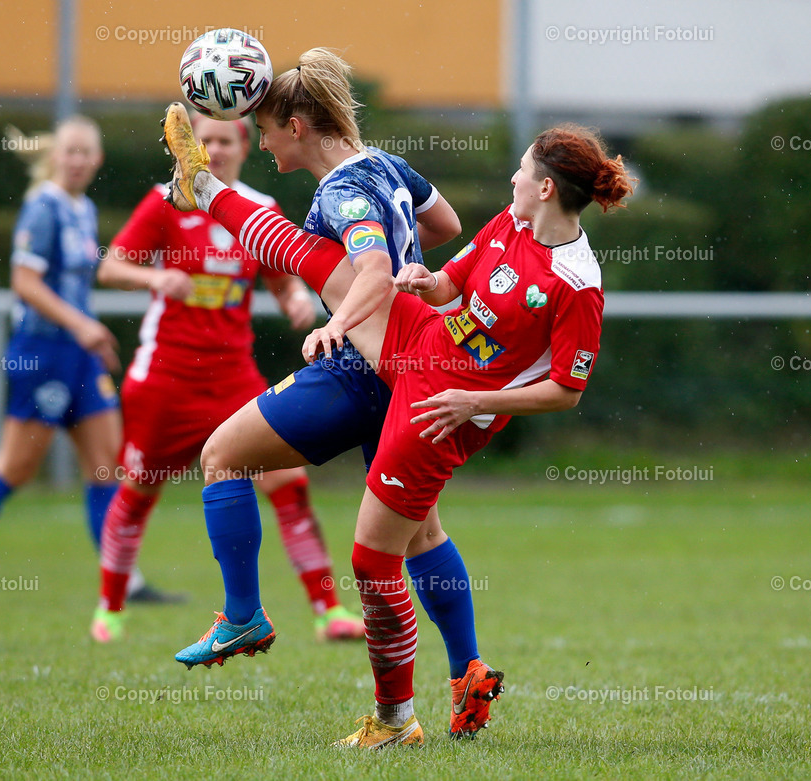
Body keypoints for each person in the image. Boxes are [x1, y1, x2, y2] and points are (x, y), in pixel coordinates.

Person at [162, 106, 635, 746]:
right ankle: (209, 190)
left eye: (523, 170)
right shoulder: (511, 223)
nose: (514, 179)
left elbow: (565, 392)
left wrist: (472, 401)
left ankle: (394, 721)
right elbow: (450, 284)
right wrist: (427, 278)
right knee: (325, 263)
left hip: (441, 409)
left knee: (371, 558)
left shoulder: (576, 283)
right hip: (423, 339)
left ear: (548, 187)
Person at [167, 50, 499, 740]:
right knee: (421, 536)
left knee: (223, 455)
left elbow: (369, 263)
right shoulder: (385, 165)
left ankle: (243, 615)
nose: (262, 142)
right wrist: (412, 276)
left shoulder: (341, 192)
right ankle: (468, 673)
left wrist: (340, 321)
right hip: (409, 376)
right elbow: (445, 227)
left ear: (296, 124)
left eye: (266, 129)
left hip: (357, 372)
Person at [89, 112, 365, 643]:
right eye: (204, 140)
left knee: (287, 481)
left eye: (224, 141)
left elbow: (281, 276)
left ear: (245, 147)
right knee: (139, 490)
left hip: (232, 374)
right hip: (164, 377)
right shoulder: (165, 200)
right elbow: (111, 267)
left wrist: (294, 300)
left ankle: (327, 611)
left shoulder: (258, 210)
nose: (212, 151)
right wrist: (154, 276)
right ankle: (111, 605)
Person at [0, 116, 164, 603]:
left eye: (85, 153)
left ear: (97, 159)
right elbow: (25, 284)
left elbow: (72, 285)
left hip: (79, 353)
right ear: (55, 156)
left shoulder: (84, 208)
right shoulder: (42, 208)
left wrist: (91, 334)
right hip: (41, 352)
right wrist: (82, 325)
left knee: (105, 466)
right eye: (68, 151)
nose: (76, 160)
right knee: (16, 467)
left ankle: (122, 580)